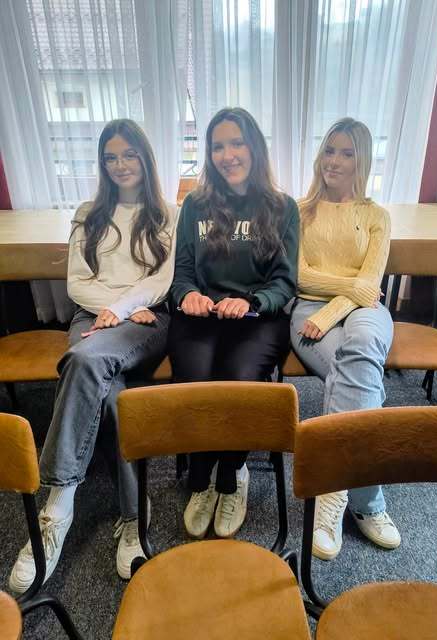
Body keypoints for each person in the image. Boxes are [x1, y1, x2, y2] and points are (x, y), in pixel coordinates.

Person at [9, 119, 176, 591]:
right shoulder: (88, 213)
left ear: (145, 158)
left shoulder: (168, 212)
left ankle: (56, 502)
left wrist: (122, 309)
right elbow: (77, 284)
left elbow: (162, 280)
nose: (120, 165)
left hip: (147, 318)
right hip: (93, 317)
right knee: (113, 395)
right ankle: (133, 516)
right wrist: (112, 309)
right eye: (110, 157)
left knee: (84, 361)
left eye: (129, 154)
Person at [169, 107, 298, 540]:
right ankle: (202, 477)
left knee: (239, 380)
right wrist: (188, 295)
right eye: (218, 146)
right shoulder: (195, 205)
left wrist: (251, 301)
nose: (228, 155)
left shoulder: (282, 207)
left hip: (257, 317)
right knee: (195, 382)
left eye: (237, 143)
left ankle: (233, 473)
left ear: (254, 147)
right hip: (202, 315)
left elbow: (284, 282)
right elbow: (182, 274)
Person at [290, 117, 400, 561]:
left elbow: (369, 286)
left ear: (362, 160)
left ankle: (331, 494)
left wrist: (334, 308)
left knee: (361, 353)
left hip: (362, 312)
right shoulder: (300, 211)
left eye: (347, 153)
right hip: (307, 310)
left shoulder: (376, 216)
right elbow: (300, 276)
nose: (334, 161)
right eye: (329, 150)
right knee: (361, 378)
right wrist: (349, 289)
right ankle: (368, 503)